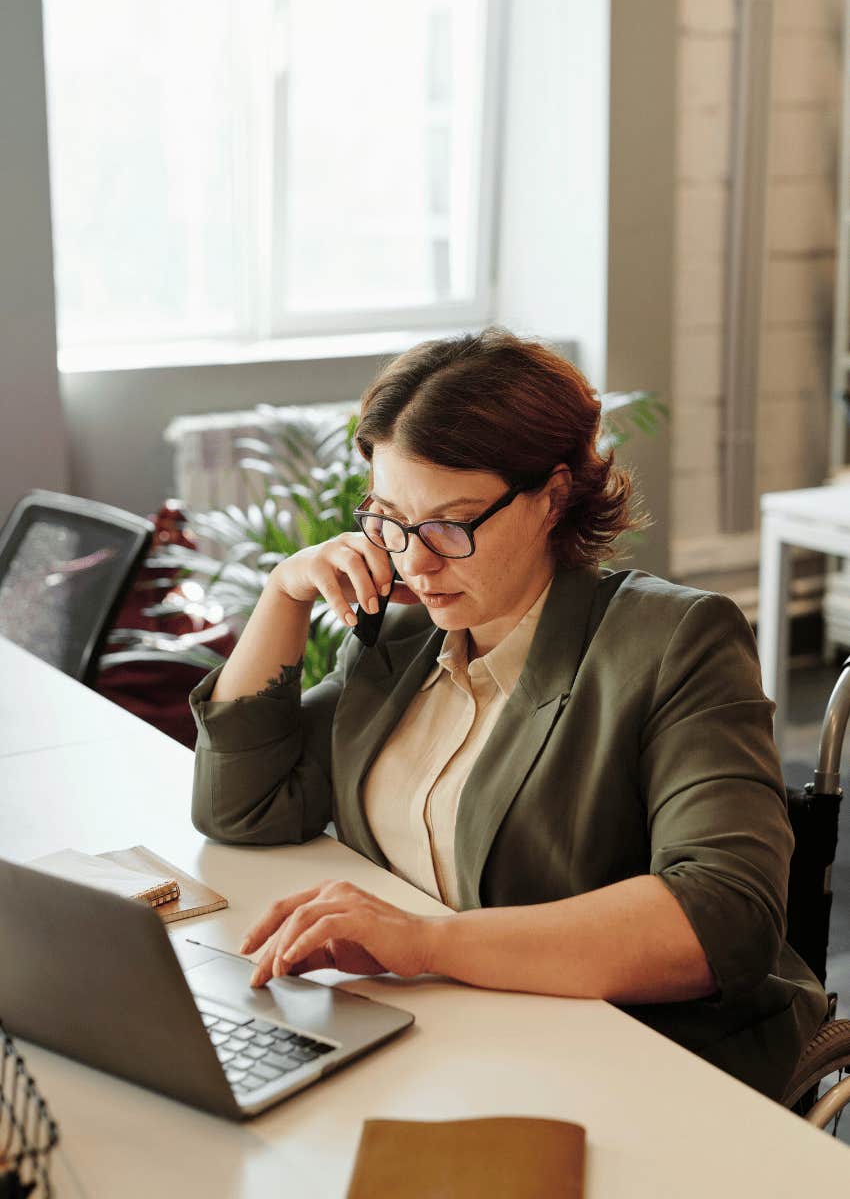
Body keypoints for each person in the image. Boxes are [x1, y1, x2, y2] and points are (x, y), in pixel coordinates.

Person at [189, 327, 827, 1102]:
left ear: (552, 497)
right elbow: (244, 807)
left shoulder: (673, 641)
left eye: (451, 524)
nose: (415, 560)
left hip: (634, 1063)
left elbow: (724, 917)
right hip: (443, 1040)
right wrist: (283, 595)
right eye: (388, 518)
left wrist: (428, 943)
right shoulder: (405, 635)